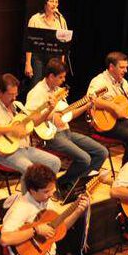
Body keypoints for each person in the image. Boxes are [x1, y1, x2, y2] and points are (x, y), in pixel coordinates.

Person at [26, 59, 108, 195]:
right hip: (50, 135)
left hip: (67, 132)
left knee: (102, 152)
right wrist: (51, 116)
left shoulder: (59, 91)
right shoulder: (37, 93)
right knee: (84, 158)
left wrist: (86, 106)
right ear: (51, 76)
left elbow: (68, 114)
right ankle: (62, 183)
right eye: (61, 77)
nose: (63, 80)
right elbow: (30, 118)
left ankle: (78, 184)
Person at [0, 74, 61, 180]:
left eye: (16, 94)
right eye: (10, 94)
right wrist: (12, 128)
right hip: (4, 153)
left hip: (25, 149)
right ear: (0, 92)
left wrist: (49, 110)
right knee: (31, 170)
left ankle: (42, 189)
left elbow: (35, 123)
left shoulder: (17, 105)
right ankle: (33, 190)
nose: (14, 98)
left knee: (55, 162)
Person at [24, 0, 68, 86]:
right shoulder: (35, 19)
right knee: (37, 83)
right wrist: (28, 63)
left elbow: (63, 44)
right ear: (45, 3)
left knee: (52, 84)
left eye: (56, 2)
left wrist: (62, 62)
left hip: (54, 57)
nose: (54, 4)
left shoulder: (61, 20)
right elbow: (29, 43)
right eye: (52, 1)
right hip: (38, 56)